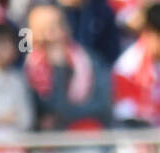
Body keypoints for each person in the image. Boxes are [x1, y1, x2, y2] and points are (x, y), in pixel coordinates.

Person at [23, 2, 111, 130]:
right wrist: (57, 69)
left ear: (65, 27)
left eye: (53, 27)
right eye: (41, 29)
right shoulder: (25, 67)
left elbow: (102, 105)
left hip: (86, 135)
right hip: (43, 140)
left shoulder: (88, 61)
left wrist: (61, 66)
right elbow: (32, 110)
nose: (48, 36)